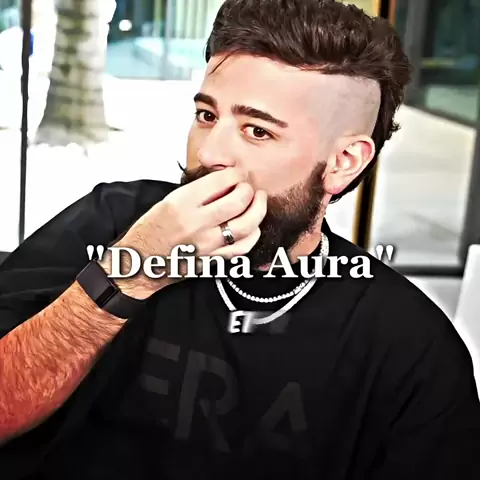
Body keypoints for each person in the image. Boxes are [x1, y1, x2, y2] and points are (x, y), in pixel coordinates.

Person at [1, 0, 479, 478]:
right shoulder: (112, 219)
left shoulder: (407, 345)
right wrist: (129, 274)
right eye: (207, 116)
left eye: (257, 131)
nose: (210, 152)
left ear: (342, 163)